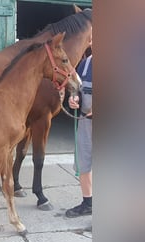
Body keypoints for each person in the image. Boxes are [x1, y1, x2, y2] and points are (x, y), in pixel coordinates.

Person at [65, 43, 92, 218]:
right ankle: (88, 203)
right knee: (84, 163)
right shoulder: (85, 63)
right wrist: (74, 99)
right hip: (85, 122)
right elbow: (77, 89)